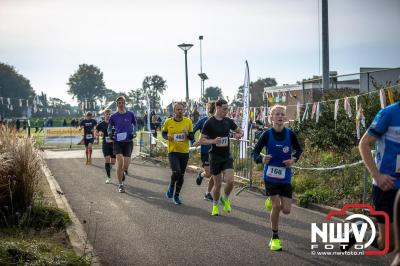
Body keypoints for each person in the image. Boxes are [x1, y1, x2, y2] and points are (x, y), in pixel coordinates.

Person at [252, 105, 303, 251]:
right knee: (276, 206)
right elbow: (255, 152)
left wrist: (293, 160)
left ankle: (270, 199)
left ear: (285, 118)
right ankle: (275, 238)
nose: (280, 117)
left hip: (285, 176)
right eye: (277, 114)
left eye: (282, 114)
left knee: (286, 209)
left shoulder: (290, 134)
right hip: (270, 175)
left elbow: (299, 150)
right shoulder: (267, 134)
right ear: (271, 118)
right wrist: (261, 160)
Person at [355, 101, 400, 253]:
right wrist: (377, 175)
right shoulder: (388, 113)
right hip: (388, 186)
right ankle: (360, 232)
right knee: (388, 245)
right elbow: (364, 144)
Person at [199, 99, 243, 216]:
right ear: (217, 108)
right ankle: (215, 206)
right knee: (217, 184)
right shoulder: (209, 122)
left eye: (227, 109)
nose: (226, 111)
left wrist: (239, 134)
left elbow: (240, 131)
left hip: (226, 156)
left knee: (230, 181)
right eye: (224, 109)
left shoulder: (228, 121)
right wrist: (213, 141)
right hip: (214, 156)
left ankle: (226, 198)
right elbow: (201, 140)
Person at [162, 102, 194, 205]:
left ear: (183, 110)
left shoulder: (188, 121)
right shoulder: (168, 122)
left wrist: (187, 134)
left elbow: (192, 137)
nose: (180, 111)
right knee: (176, 172)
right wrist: (167, 137)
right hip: (173, 151)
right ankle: (171, 186)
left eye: (181, 109)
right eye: (178, 109)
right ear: (174, 110)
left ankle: (176, 196)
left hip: (184, 152)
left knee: (181, 175)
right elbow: (163, 133)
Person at [108, 96, 137, 193]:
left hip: (128, 142)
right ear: (117, 104)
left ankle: (123, 172)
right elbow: (109, 127)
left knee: (126, 165)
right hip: (117, 141)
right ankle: (120, 185)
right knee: (119, 162)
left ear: (125, 104)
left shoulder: (130, 114)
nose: (121, 104)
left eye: (122, 103)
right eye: (119, 103)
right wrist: (110, 134)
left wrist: (134, 132)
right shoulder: (113, 116)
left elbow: (135, 124)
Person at [192, 101, 216, 201]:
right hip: (205, 151)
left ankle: (208, 193)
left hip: (216, 152)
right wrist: (193, 142)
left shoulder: (221, 122)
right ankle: (202, 174)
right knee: (209, 173)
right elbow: (192, 131)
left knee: (215, 174)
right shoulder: (203, 121)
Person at [96, 109, 116, 184]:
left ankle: (109, 168)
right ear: (104, 115)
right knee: (107, 159)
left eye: (109, 114)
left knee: (113, 162)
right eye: (106, 114)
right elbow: (96, 132)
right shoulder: (101, 124)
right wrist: (99, 134)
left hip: (114, 144)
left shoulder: (114, 123)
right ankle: (108, 177)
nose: (108, 115)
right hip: (105, 144)